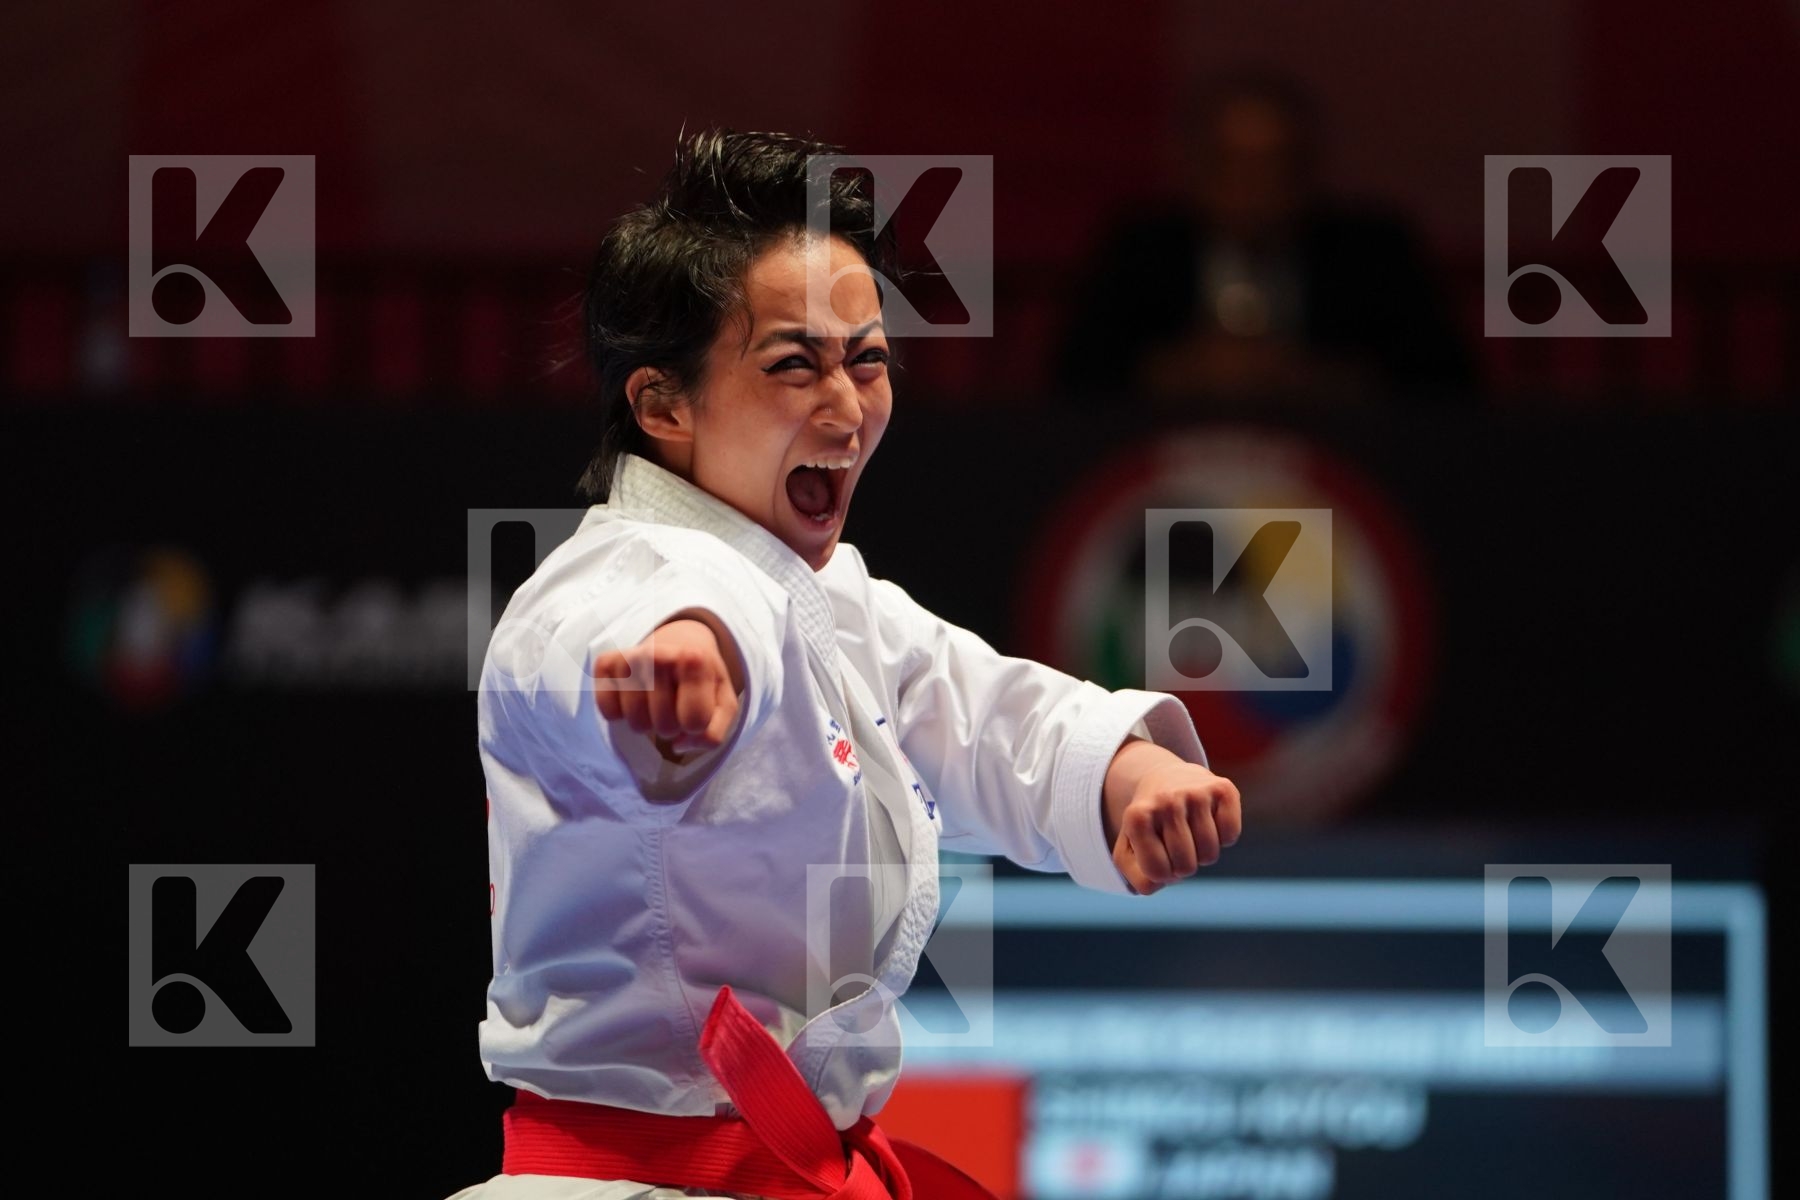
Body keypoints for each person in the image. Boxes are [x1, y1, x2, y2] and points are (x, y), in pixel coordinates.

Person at [452, 129, 1242, 1200]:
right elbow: (593, 656)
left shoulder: (834, 601)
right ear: (662, 405)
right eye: (795, 365)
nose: (847, 406)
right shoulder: (619, 579)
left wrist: (1125, 776)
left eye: (866, 359)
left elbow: (985, 713)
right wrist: (675, 671)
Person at [1057, 70, 1477, 408]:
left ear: (1309, 170)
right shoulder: (1141, 247)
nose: (1254, 184)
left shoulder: (1374, 251)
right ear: (1192, 168)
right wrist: (1182, 373)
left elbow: (1447, 386)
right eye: (1231, 163)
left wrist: (1306, 378)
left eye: (1275, 163)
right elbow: (1072, 379)